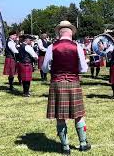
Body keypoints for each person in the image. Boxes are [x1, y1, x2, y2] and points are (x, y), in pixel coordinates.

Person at [42, 21, 91, 155]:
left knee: (60, 116)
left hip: (57, 83)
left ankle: (65, 147)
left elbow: (45, 68)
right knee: (79, 115)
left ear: (59, 33)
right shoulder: (77, 47)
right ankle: (83, 143)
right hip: (73, 82)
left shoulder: (52, 47)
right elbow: (84, 69)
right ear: (71, 32)